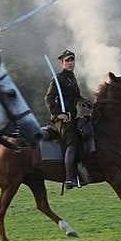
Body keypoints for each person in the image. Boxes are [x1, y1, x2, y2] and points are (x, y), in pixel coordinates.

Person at [44, 49, 84, 189]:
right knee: (72, 143)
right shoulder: (58, 78)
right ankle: (69, 178)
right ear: (62, 63)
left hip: (73, 117)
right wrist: (57, 114)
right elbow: (48, 98)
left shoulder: (72, 78)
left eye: (72, 59)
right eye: (67, 60)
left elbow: (76, 97)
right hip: (62, 120)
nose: (70, 62)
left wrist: (85, 102)